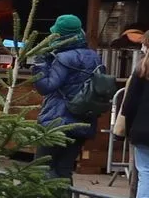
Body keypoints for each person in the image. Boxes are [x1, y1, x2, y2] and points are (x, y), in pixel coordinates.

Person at [32, 13, 106, 181]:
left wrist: (39, 65)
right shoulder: (93, 56)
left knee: (43, 166)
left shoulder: (63, 57)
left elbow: (46, 86)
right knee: (64, 168)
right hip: (83, 120)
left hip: (57, 119)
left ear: (60, 35)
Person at [118, 49, 149, 198]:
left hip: (142, 129)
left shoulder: (141, 70)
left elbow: (128, 105)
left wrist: (129, 129)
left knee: (145, 170)